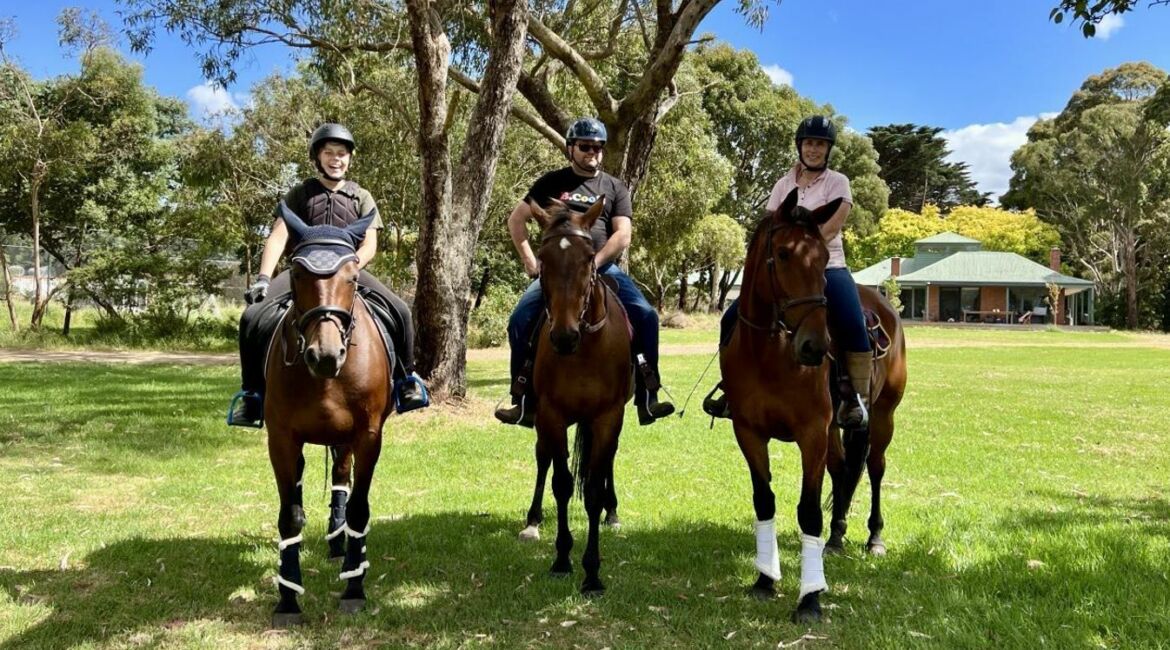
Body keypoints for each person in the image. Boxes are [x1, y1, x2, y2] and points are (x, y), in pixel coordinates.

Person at [227, 123, 428, 427]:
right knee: (252, 316)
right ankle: (252, 395)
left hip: (346, 272)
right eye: (329, 153)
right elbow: (278, 237)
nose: (336, 159)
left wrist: (350, 268)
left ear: (350, 159)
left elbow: (370, 242)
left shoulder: (361, 196)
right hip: (304, 272)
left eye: (342, 154)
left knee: (401, 310)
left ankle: (406, 381)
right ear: (317, 157)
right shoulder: (300, 194)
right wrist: (264, 278)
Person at [493, 117, 674, 428]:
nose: (593, 152)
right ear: (570, 148)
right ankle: (522, 398)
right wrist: (529, 263)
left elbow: (623, 234)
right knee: (520, 318)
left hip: (604, 267)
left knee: (646, 315)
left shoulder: (615, 187)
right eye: (586, 146)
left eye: (598, 147)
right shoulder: (550, 183)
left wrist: (596, 261)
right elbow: (516, 220)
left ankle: (648, 392)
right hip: (558, 273)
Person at [704, 115, 873, 429]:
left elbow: (834, 226)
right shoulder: (783, 184)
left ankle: (855, 398)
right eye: (809, 143)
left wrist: (802, 251)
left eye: (820, 144)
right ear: (800, 146)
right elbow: (769, 227)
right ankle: (731, 387)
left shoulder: (839, 183)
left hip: (828, 266)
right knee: (731, 318)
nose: (813, 149)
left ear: (828, 149)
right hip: (783, 270)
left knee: (852, 321)